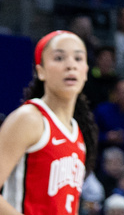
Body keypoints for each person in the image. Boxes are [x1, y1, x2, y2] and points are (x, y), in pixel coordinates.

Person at [0, 30, 99, 215]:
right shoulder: (29, 118)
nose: (71, 65)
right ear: (41, 71)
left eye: (78, 58)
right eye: (59, 58)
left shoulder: (77, 133)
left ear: (86, 71)